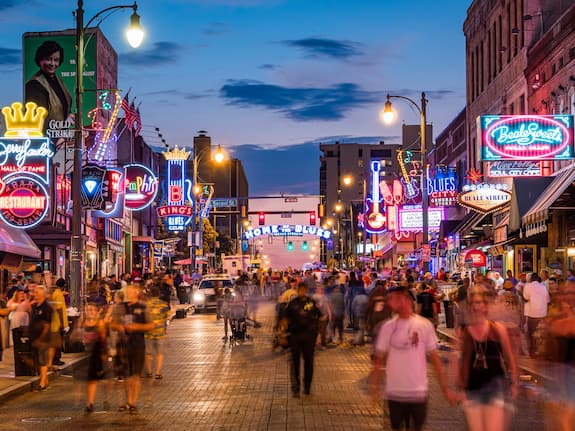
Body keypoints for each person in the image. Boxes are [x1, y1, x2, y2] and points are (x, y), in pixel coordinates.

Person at [370, 284, 456, 431]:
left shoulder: (424, 325)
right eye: (392, 299)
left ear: (408, 300)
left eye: (397, 298)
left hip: (418, 391)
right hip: (395, 392)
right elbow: (378, 359)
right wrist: (375, 388)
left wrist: (445, 389)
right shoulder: (387, 327)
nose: (393, 302)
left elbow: (435, 360)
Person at [457, 286, 518, 431]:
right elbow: (463, 361)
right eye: (473, 303)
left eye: (479, 303)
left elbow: (509, 356)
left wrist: (514, 382)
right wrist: (460, 387)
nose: (476, 307)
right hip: (472, 388)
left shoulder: (497, 329)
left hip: (494, 386)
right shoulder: (466, 332)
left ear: (486, 306)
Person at [111, 285, 153, 414]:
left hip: (138, 345)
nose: (129, 295)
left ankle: (132, 402)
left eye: (131, 292)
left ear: (136, 293)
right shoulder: (119, 307)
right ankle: (126, 399)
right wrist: (120, 328)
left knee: (135, 375)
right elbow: (112, 324)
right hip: (123, 345)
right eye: (127, 292)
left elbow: (151, 325)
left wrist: (136, 327)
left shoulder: (143, 307)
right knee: (124, 376)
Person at [282, 282, 321, 397]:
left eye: (304, 289)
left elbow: (318, 318)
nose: (302, 291)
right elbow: (285, 319)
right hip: (295, 336)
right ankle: (295, 388)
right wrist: (282, 334)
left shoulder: (311, 303)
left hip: (309, 337)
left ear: (306, 290)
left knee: (309, 362)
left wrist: (318, 335)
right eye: (300, 289)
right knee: (295, 363)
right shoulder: (292, 304)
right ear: (298, 290)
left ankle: (307, 387)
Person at [25, 40, 73, 129]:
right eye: (48, 59)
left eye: (56, 60)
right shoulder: (34, 85)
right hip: (46, 139)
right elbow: (38, 120)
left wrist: (68, 116)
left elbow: (62, 108)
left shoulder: (58, 81)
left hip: (60, 136)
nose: (52, 63)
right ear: (40, 60)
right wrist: (62, 125)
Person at [82, 301, 107, 413]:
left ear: (96, 311)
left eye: (92, 310)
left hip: (96, 353)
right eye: (88, 310)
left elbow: (103, 339)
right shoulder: (83, 322)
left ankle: (90, 402)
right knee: (89, 380)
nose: (90, 312)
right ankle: (89, 402)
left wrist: (104, 354)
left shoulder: (99, 323)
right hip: (85, 354)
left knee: (93, 379)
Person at [144, 285, 171, 379]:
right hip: (160, 333)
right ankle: (158, 372)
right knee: (160, 353)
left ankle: (149, 372)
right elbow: (168, 316)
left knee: (148, 353)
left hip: (148, 332)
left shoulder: (146, 305)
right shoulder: (163, 304)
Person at [29, 285, 53, 391]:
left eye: (37, 293)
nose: (35, 295)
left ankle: (42, 383)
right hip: (35, 337)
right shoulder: (35, 307)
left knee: (43, 360)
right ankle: (45, 379)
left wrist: (42, 337)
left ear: (42, 294)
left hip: (43, 337)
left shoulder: (47, 307)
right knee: (38, 360)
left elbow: (47, 324)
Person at [523, 272, 550, 357]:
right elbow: (547, 300)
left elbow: (526, 298)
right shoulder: (543, 286)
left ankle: (532, 352)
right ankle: (540, 351)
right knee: (541, 335)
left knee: (531, 334)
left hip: (532, 314)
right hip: (543, 314)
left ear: (530, 279)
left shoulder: (527, 286)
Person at [48, 279, 69, 369]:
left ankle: (54, 359)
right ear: (63, 285)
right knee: (57, 342)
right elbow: (60, 310)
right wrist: (63, 324)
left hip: (54, 321)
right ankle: (56, 359)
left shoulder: (54, 293)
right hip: (58, 322)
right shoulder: (59, 294)